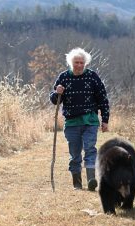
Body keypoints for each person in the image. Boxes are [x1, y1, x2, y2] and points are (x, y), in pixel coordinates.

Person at [49, 47, 109, 191]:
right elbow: (54, 100)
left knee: (90, 149)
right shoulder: (63, 77)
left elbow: (103, 99)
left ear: (86, 63)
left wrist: (105, 120)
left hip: (90, 121)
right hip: (72, 123)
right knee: (75, 154)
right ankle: (77, 184)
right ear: (71, 63)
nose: (80, 65)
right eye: (77, 62)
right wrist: (57, 93)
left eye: (82, 62)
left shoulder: (92, 76)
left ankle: (91, 180)